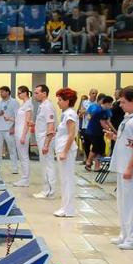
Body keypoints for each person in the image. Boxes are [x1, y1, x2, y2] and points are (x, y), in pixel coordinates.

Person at [105, 86, 133, 250]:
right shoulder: (128, 118)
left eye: (123, 102)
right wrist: (114, 136)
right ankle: (125, 233)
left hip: (131, 169)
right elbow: (128, 141)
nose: (120, 105)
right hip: (122, 167)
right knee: (123, 203)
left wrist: (130, 167)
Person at [53, 88, 79, 217]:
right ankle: (64, 207)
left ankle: (68, 209)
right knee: (64, 180)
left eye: (60, 100)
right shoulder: (65, 113)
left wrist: (64, 151)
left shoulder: (70, 114)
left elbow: (71, 134)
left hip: (66, 150)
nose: (58, 102)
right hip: (62, 148)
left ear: (67, 101)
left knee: (67, 179)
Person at [30, 84, 57, 199]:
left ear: (44, 94)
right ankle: (46, 189)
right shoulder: (42, 106)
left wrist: (46, 144)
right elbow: (44, 124)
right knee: (44, 165)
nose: (34, 95)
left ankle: (49, 191)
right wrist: (35, 125)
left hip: (46, 140)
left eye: (36, 93)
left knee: (48, 165)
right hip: (42, 139)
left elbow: (50, 127)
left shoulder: (47, 106)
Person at [82, 95, 114, 171]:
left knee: (101, 148)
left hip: (99, 132)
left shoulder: (105, 110)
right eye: (109, 104)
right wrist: (109, 130)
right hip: (93, 132)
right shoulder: (99, 110)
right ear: (105, 103)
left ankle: (97, 166)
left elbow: (107, 122)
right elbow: (103, 123)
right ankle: (88, 162)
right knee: (96, 148)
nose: (110, 106)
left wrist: (113, 130)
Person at [0, 86, 18, 172]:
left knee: (12, 149)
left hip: (9, 129)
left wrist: (13, 127)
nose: (0, 93)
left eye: (2, 92)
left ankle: (15, 168)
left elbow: (18, 117)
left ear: (7, 92)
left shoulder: (14, 102)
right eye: (0, 92)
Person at [13, 86, 33, 187]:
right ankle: (24, 178)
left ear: (25, 93)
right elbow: (20, 120)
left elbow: (27, 121)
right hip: (18, 132)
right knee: (21, 156)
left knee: (24, 156)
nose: (18, 95)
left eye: (19, 93)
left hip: (22, 133)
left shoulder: (28, 104)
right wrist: (10, 119)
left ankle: (25, 179)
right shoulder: (24, 104)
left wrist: (23, 136)